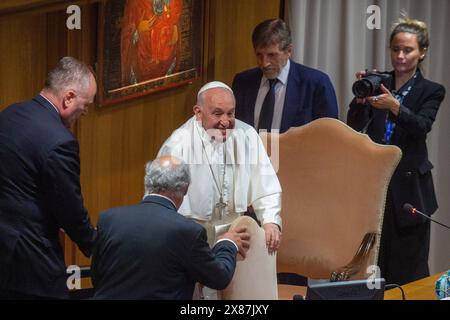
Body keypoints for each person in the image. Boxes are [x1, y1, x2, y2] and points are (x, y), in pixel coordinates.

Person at [347, 18, 446, 285]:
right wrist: (360, 99)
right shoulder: (378, 82)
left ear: (422, 52)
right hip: (375, 187)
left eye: (408, 50)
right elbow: (354, 126)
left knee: (408, 269)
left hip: (409, 190)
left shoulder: (431, 90)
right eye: (395, 49)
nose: (400, 56)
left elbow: (421, 126)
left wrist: (395, 107)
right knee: (371, 268)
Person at [0, 56, 98, 299]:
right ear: (68, 98)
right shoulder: (60, 142)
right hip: (30, 259)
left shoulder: (11, 113)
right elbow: (70, 209)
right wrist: (96, 246)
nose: (83, 112)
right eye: (84, 106)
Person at [91, 156, 250, 299]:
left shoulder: (108, 219)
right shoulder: (188, 232)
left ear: (147, 182)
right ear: (186, 188)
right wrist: (227, 244)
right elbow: (219, 278)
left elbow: (97, 276)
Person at [157, 81, 282, 254]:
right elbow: (160, 204)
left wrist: (270, 220)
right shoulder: (178, 145)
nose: (225, 122)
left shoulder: (246, 136)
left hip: (238, 235)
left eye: (230, 113)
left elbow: (265, 184)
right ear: (198, 113)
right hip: (191, 239)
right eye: (217, 114)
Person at [232, 18, 338, 133]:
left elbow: (329, 136)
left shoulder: (316, 84)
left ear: (289, 51)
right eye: (259, 55)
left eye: (272, 55)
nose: (264, 63)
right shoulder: (242, 82)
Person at [121, 0, 182, 85]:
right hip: (142, 62)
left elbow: (173, 15)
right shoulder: (135, 3)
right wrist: (138, 30)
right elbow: (127, 34)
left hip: (166, 58)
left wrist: (175, 27)